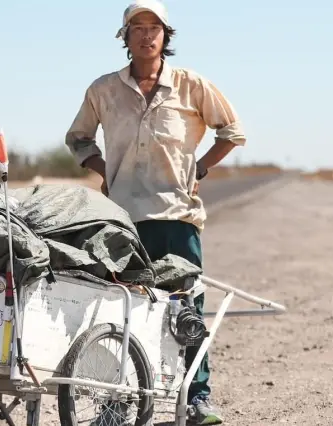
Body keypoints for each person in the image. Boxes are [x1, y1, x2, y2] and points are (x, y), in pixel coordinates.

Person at [65, 0, 246, 424]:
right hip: (122, 219)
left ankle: (198, 398)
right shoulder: (103, 90)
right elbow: (78, 139)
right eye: (137, 28)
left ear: (167, 36)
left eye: (155, 28)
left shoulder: (190, 85)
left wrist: (200, 167)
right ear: (124, 37)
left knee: (185, 307)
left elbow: (233, 132)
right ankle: (119, 400)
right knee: (119, 308)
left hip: (176, 215)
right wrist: (102, 170)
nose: (146, 35)